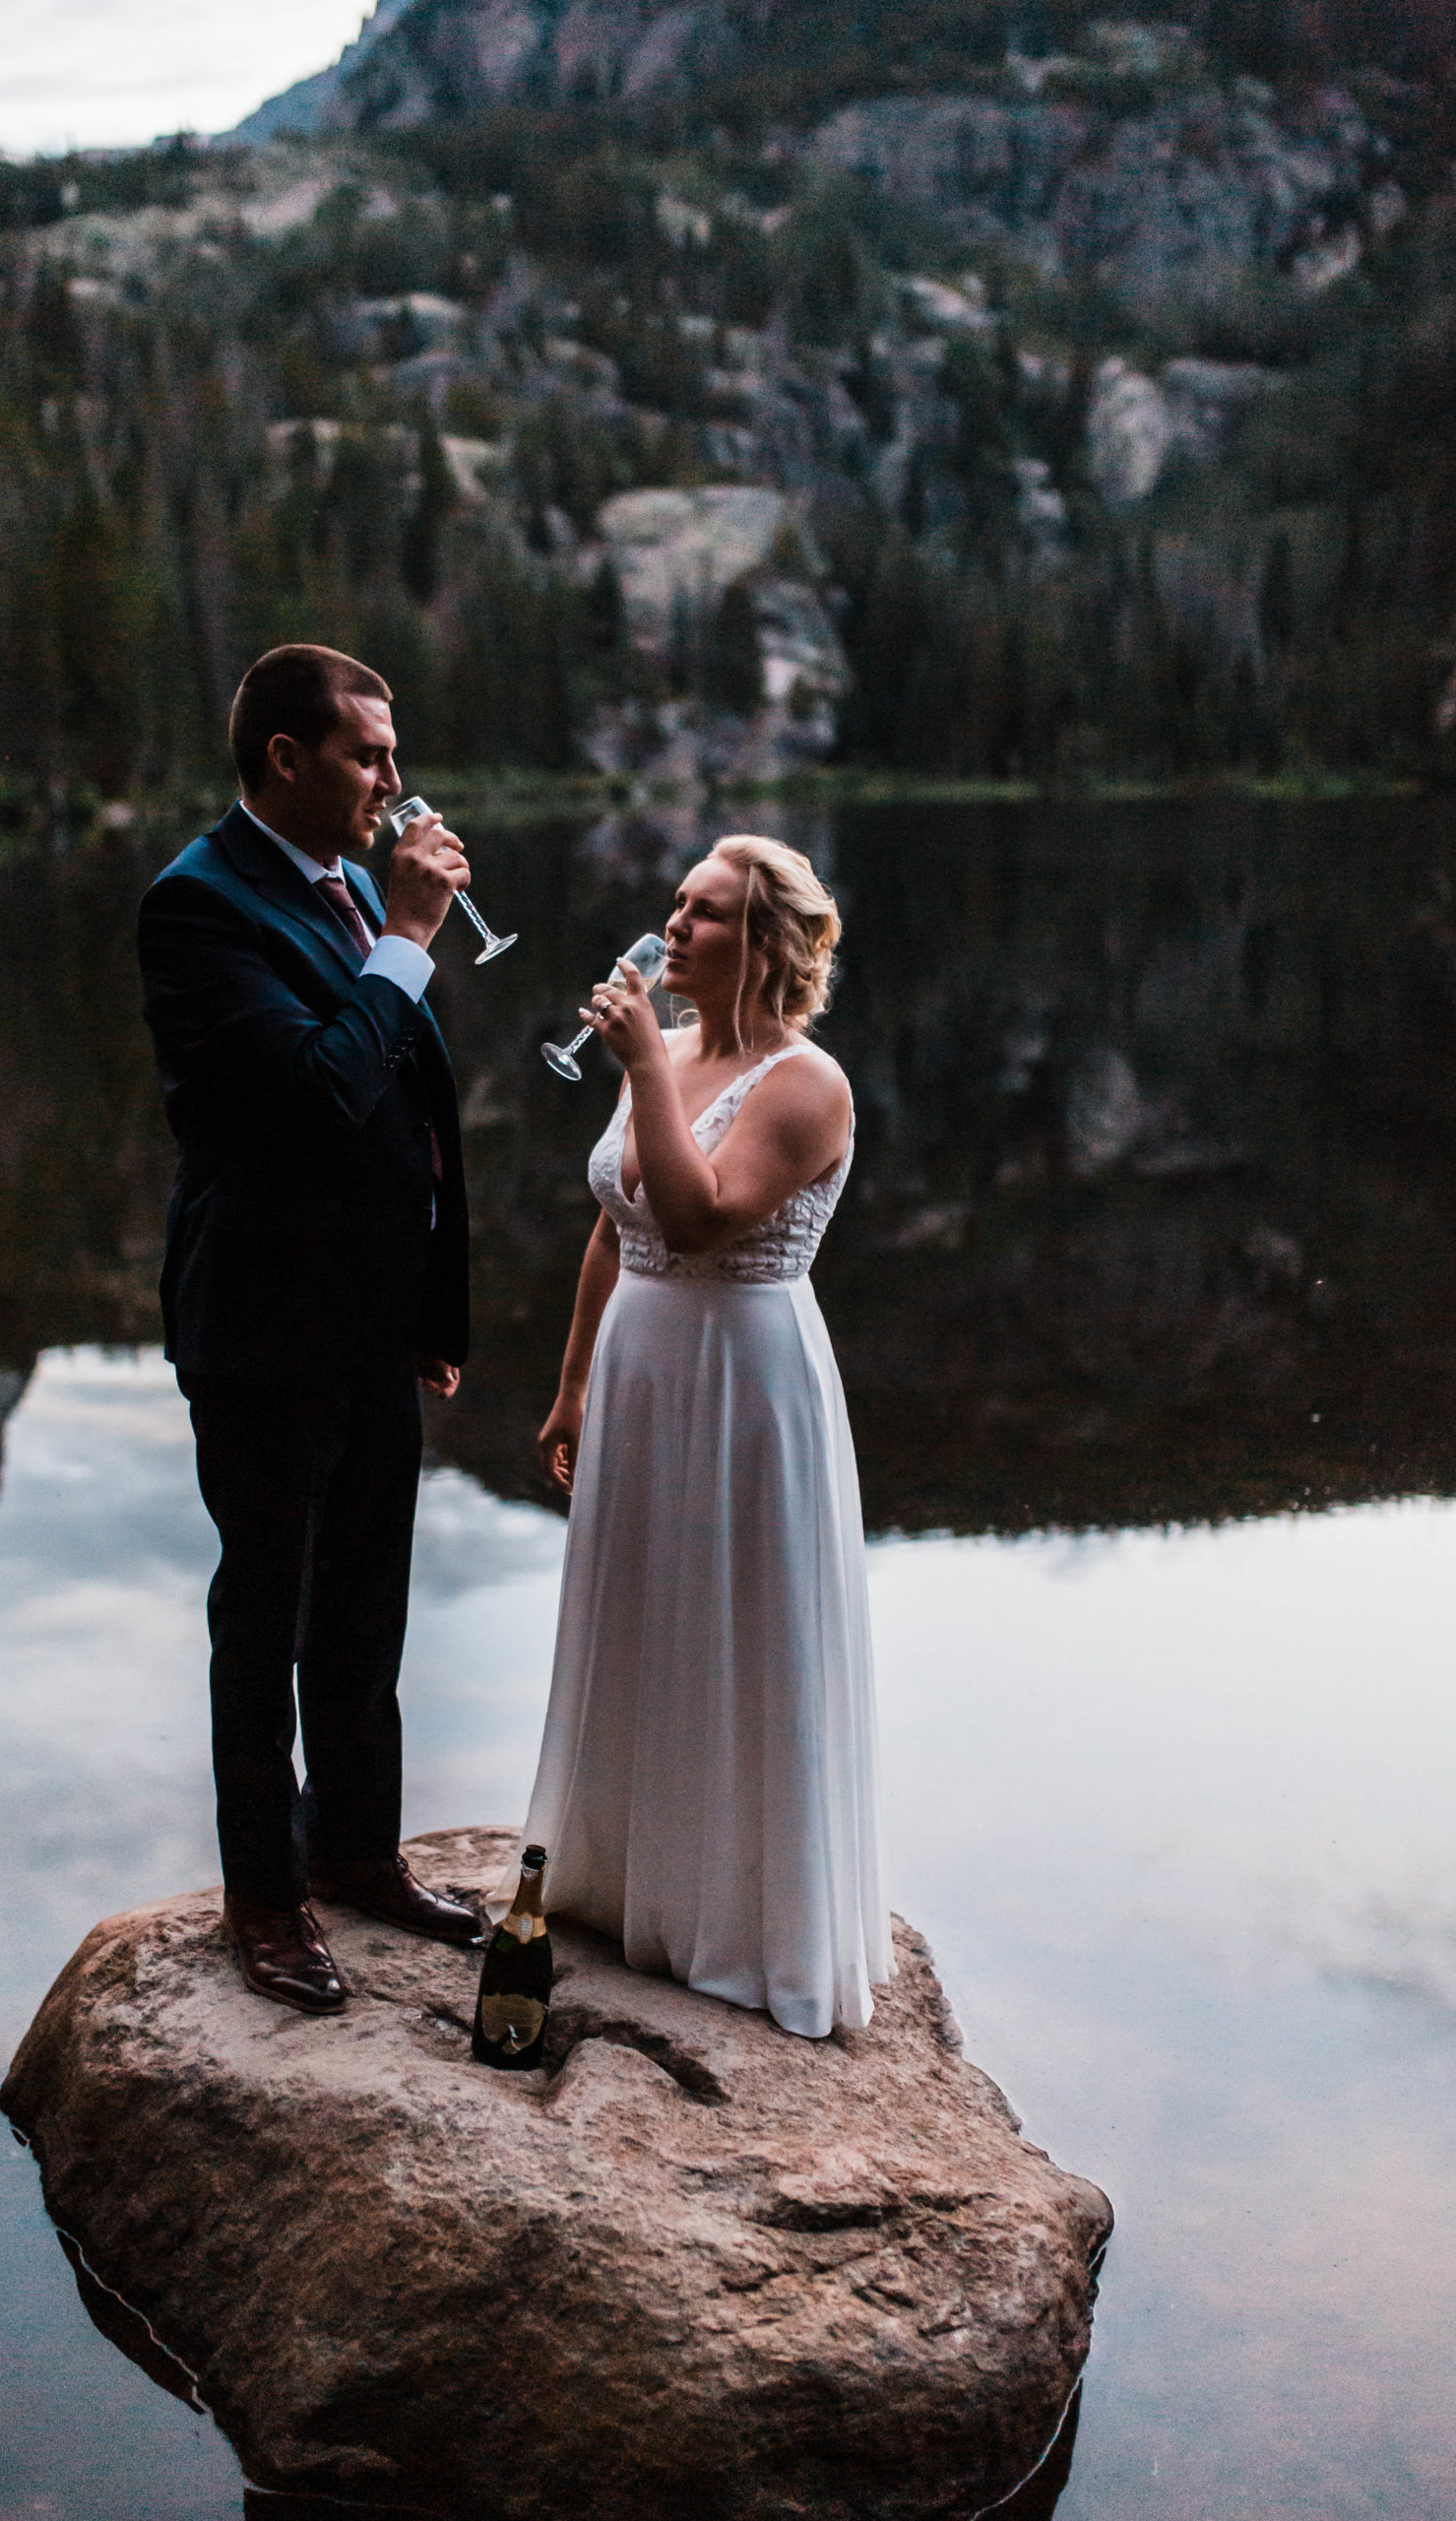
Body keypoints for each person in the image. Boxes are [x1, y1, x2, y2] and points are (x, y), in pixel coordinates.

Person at [137, 643, 485, 2016]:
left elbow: (419, 1122)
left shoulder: (342, 890)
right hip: (263, 1325)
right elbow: (311, 1099)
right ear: (285, 758)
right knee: (264, 1614)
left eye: (393, 756)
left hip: (369, 1320)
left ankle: (354, 1851)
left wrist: (432, 1311)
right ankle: (266, 1897)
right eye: (367, 757)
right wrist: (405, 941)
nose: (394, 784)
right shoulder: (196, 908)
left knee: (363, 1604)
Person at [528, 836, 888, 2038]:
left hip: (744, 1381)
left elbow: (695, 1221)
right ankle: (626, 1883)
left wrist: (637, 1071)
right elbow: (615, 1223)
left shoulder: (806, 1083)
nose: (670, 928)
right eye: (673, 904)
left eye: (706, 913)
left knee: (737, 1621)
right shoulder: (673, 1048)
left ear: (769, 944)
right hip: (642, 1369)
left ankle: (738, 1922)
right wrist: (575, 1381)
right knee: (643, 1610)